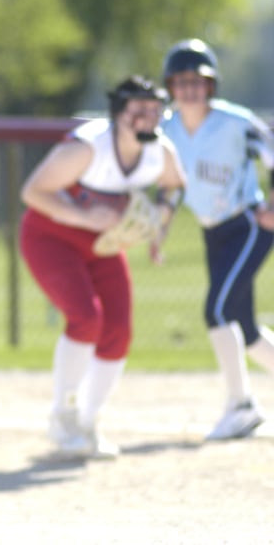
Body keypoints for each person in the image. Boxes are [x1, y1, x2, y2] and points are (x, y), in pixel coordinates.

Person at [19, 75, 186, 459]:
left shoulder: (161, 151)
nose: (148, 117)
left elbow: (175, 186)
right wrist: (82, 216)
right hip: (52, 236)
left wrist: (161, 220)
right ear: (118, 112)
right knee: (85, 318)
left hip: (105, 243)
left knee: (119, 331)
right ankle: (62, 416)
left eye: (154, 109)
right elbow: (32, 192)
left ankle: (88, 423)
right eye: (138, 109)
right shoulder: (88, 147)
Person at [161, 38, 274, 441]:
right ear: (171, 86)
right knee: (243, 327)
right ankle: (243, 406)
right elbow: (166, 183)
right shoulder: (166, 127)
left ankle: (241, 406)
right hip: (212, 230)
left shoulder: (234, 121)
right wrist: (158, 225)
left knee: (218, 311)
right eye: (182, 81)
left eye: (199, 80)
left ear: (211, 86)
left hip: (247, 224)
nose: (190, 88)